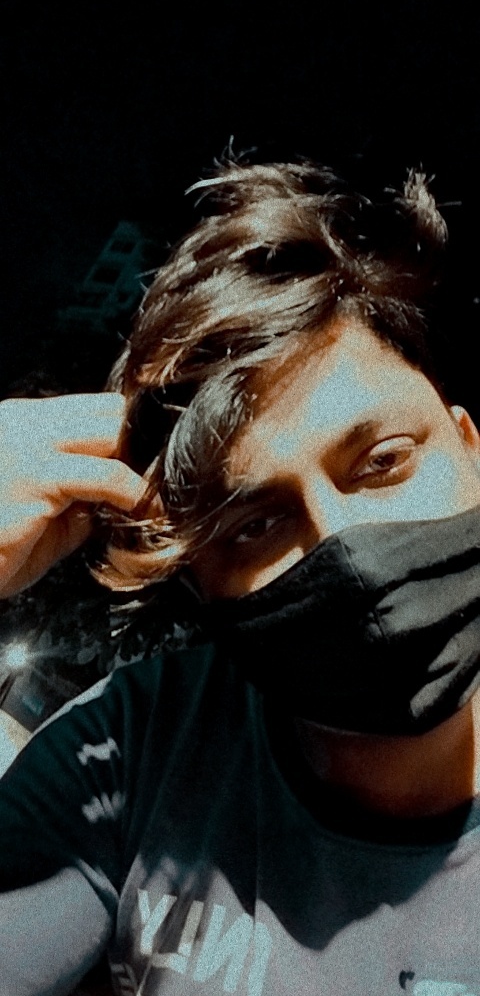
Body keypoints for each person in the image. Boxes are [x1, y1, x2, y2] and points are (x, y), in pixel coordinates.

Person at [1, 159, 480, 995]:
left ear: (469, 448)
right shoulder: (132, 753)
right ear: (200, 584)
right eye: (255, 525)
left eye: (383, 462)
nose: (342, 543)